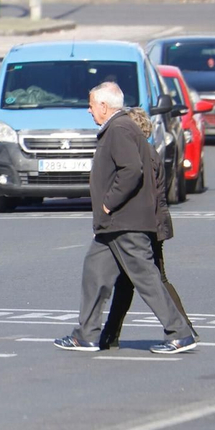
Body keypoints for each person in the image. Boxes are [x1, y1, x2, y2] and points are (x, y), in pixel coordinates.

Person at [54, 82, 197, 355]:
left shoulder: (118, 129)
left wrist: (109, 203)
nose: (89, 110)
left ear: (104, 106)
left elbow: (131, 170)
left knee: (146, 278)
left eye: (92, 105)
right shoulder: (121, 128)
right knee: (94, 273)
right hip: (114, 225)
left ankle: (179, 332)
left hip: (124, 221)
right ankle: (86, 335)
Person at [97, 108, 195, 350]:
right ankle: (110, 335)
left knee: (152, 279)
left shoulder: (143, 154)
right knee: (128, 281)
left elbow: (146, 194)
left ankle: (183, 329)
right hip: (149, 223)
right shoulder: (148, 152)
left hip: (145, 225)